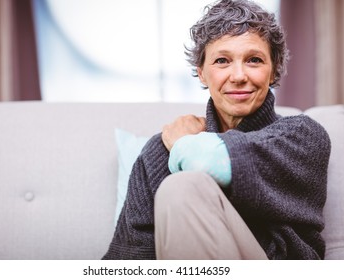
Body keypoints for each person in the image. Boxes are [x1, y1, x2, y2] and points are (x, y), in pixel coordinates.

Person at [103, 0, 331, 260]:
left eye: (254, 60)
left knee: (181, 187)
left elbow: (206, 162)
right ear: (201, 73)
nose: (238, 76)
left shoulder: (302, 137)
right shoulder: (158, 151)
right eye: (222, 61)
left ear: (273, 70)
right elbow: (129, 258)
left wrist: (183, 144)